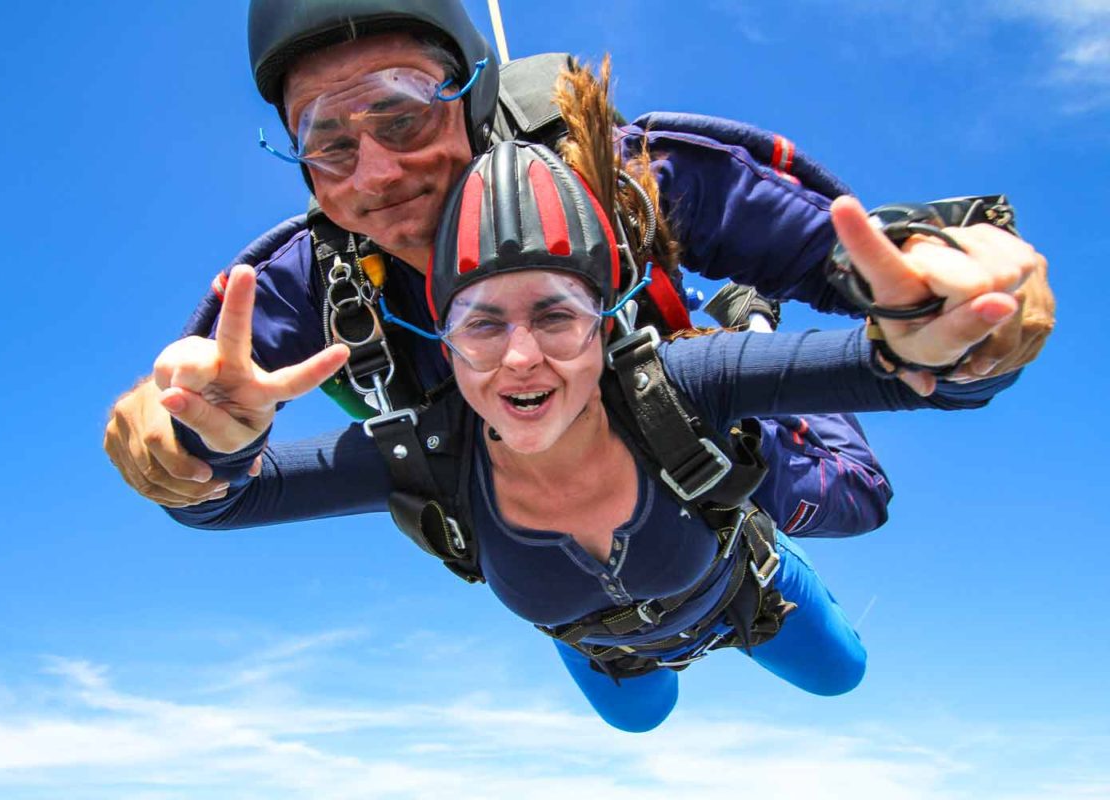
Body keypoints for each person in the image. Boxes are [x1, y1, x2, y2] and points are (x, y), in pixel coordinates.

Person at [151, 105, 1036, 730]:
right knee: (638, 722)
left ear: (606, 319)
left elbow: (910, 376)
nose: (522, 357)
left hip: (744, 597)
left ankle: (749, 322)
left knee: (845, 652)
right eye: (482, 324)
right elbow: (218, 502)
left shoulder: (682, 383)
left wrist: (958, 339)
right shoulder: (421, 451)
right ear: (443, 343)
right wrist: (209, 445)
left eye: (557, 316)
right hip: (605, 649)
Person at [103, 0, 1054, 509]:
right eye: (328, 141)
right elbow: (209, 403)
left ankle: (742, 334)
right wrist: (181, 442)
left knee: (856, 502)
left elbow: (851, 254)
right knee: (617, 680)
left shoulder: (620, 172)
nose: (377, 170)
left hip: (693, 422)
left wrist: (953, 316)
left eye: (403, 111)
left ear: (473, 98)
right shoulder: (305, 281)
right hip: (540, 505)